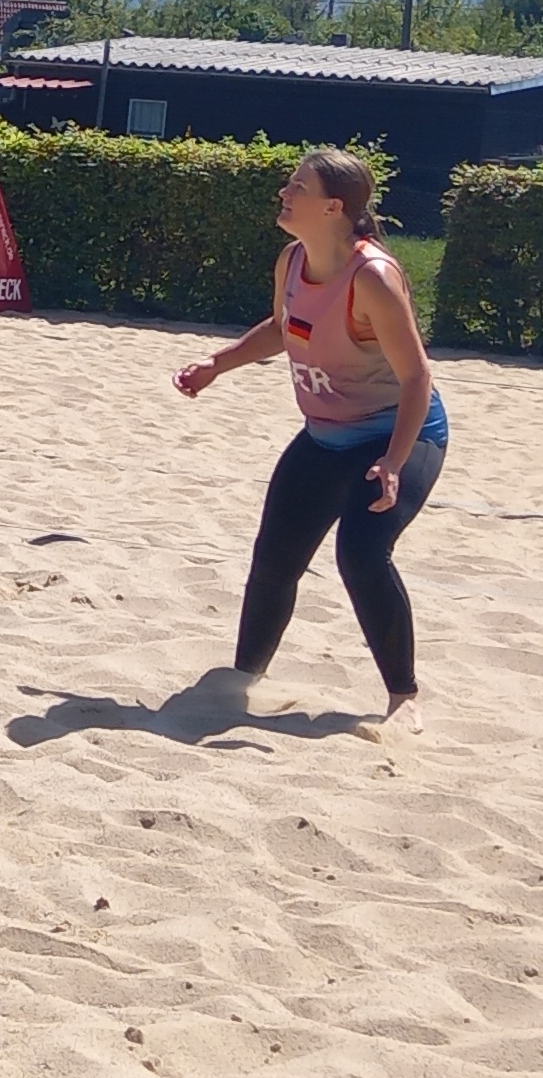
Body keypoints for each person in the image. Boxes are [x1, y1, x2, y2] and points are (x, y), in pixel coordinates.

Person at [173, 148, 449, 736]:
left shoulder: (372, 277)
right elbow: (283, 328)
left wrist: (394, 461)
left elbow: (417, 377)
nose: (284, 192)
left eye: (298, 187)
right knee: (275, 558)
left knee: (362, 555)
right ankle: (243, 678)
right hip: (324, 437)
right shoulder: (293, 259)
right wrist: (218, 364)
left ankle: (404, 697)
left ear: (334, 208)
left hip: (397, 433)